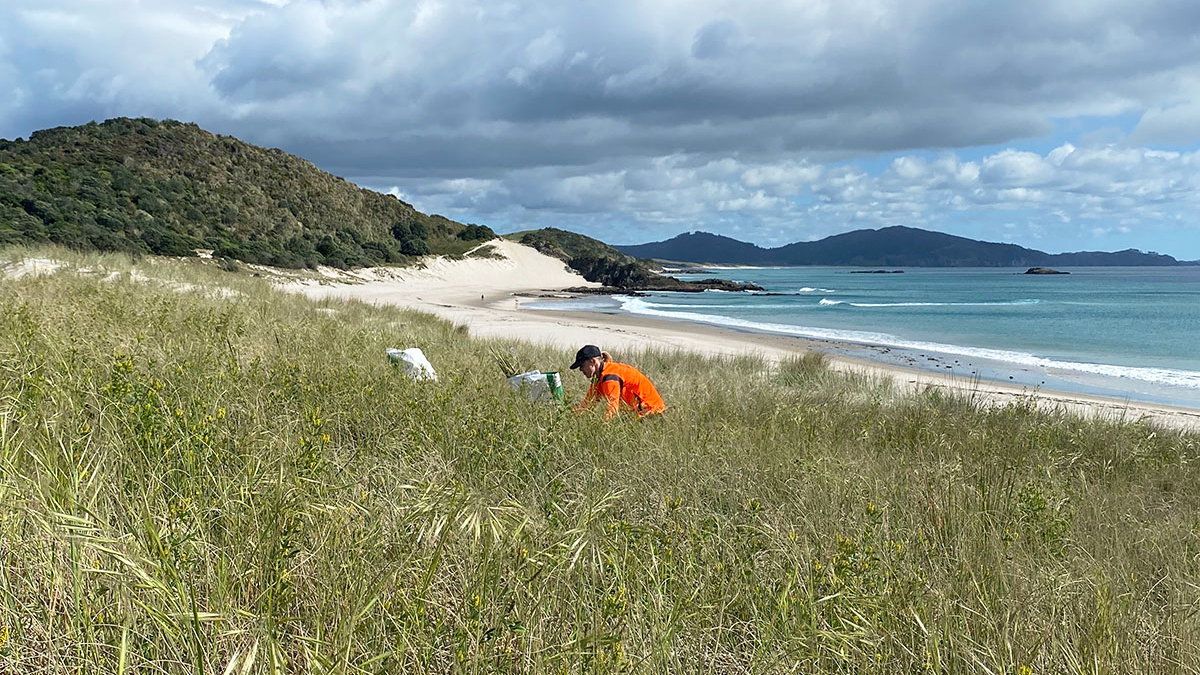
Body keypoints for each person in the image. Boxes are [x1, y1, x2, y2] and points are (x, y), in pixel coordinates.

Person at [569, 344, 665, 420]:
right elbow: (588, 403)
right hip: (637, 413)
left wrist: (603, 428)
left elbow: (612, 410)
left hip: (652, 413)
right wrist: (570, 415)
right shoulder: (599, 378)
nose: (580, 370)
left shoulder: (610, 377)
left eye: (582, 365)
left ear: (593, 361)